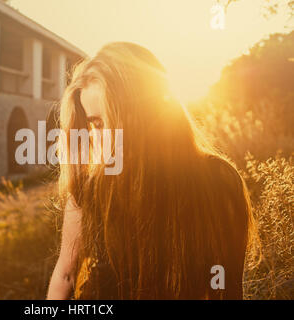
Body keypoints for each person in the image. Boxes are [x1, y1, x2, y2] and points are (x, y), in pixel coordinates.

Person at [46, 42, 257, 300]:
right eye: (98, 124)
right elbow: (65, 276)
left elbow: (225, 284)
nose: (110, 140)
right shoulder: (90, 191)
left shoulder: (218, 181)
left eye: (118, 118)